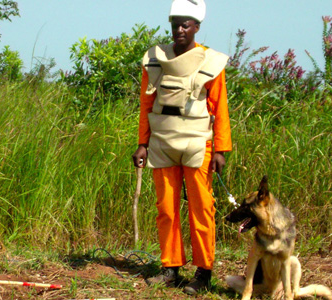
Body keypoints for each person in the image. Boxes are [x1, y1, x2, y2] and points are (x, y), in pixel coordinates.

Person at [131, 0, 231, 295]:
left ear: (197, 27)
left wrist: (222, 149)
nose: (179, 29)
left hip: (198, 142)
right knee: (166, 208)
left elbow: (220, 107)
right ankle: (170, 267)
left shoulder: (211, 62)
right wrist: (142, 144)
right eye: (175, 23)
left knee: (202, 208)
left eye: (186, 24)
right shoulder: (155, 59)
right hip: (161, 141)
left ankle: (203, 272)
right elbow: (146, 104)